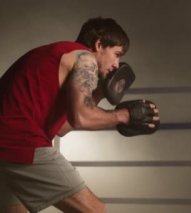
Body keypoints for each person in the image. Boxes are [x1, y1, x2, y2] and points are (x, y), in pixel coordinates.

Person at [0, 17, 159, 213]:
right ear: (99, 45)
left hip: (6, 146)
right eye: (116, 54)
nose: (117, 65)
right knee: (94, 210)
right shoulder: (85, 58)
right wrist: (123, 115)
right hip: (17, 141)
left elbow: (61, 128)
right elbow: (81, 117)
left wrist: (99, 93)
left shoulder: (61, 55)